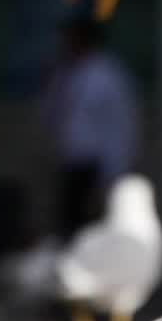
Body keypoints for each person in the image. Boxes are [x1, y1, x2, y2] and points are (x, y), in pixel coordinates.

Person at [42, 15, 138, 239]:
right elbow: (52, 117)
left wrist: (113, 173)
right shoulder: (65, 74)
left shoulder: (108, 76)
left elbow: (120, 127)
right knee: (68, 225)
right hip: (69, 161)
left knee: (92, 229)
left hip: (96, 166)